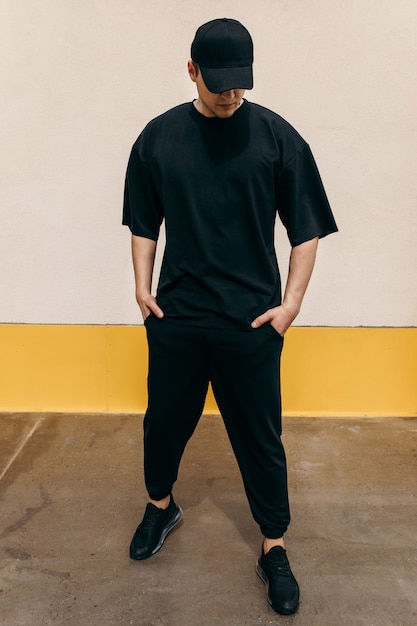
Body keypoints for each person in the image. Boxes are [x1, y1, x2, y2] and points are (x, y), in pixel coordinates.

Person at [123, 18, 337, 616]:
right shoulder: (158, 139)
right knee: (162, 423)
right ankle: (161, 507)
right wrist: (142, 287)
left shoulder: (276, 138)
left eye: (239, 82)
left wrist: (290, 304)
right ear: (191, 70)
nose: (230, 94)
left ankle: (274, 547)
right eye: (218, 82)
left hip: (250, 324)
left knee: (261, 440)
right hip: (180, 318)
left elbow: (308, 226)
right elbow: (144, 221)